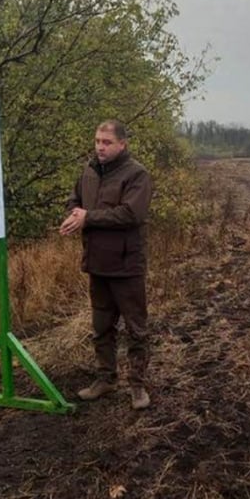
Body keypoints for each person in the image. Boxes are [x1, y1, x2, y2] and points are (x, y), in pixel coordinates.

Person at [60, 120, 154, 409]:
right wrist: (73, 214)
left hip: (126, 265)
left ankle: (137, 387)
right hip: (97, 263)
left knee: (136, 329)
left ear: (122, 144)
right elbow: (75, 200)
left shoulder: (137, 174)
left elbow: (129, 214)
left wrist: (89, 217)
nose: (100, 146)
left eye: (107, 142)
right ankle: (106, 380)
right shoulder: (89, 171)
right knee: (101, 327)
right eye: (98, 141)